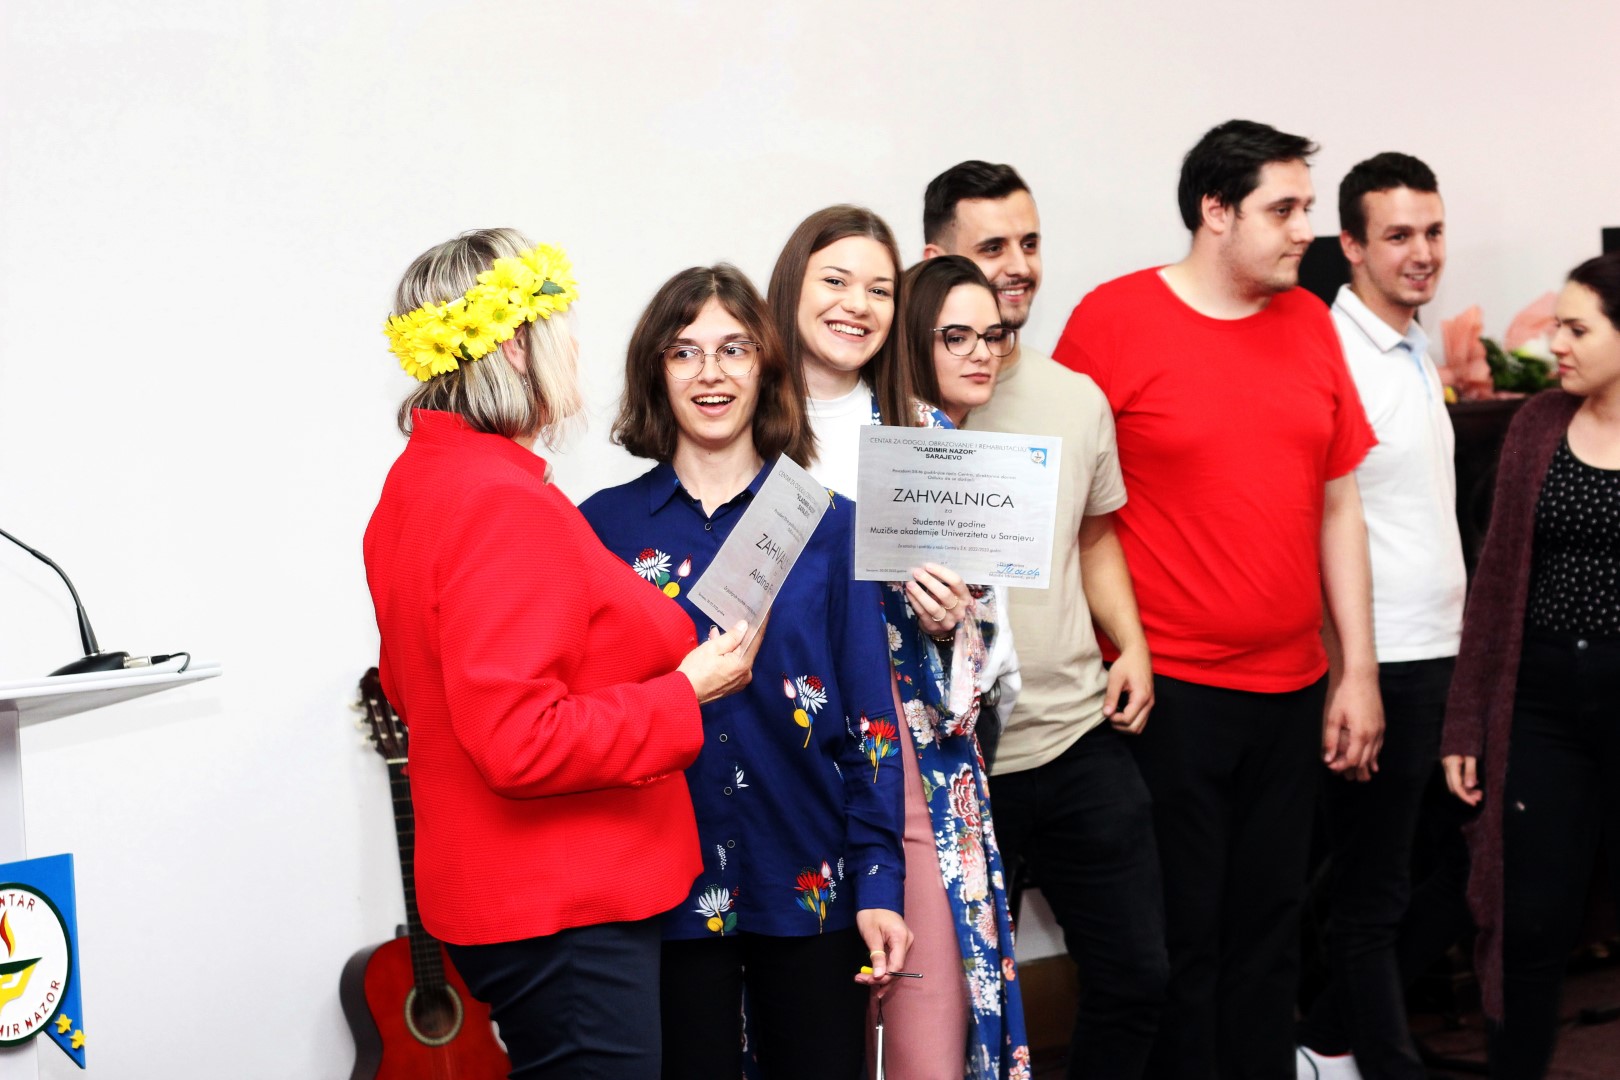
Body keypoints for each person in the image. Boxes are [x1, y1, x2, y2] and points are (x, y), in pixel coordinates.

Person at [363, 229, 760, 1078]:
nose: (575, 348)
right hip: (560, 904)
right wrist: (684, 691)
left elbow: (410, 686)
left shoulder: (423, 480)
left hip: (519, 899)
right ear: (515, 345)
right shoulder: (499, 501)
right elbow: (520, 739)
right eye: (560, 328)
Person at [1053, 122, 1383, 1080]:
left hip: (1293, 687)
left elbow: (1338, 503)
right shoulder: (1113, 320)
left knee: (1270, 934)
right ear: (1215, 211)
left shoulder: (1309, 321)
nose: (1304, 231)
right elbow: (1065, 510)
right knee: (1181, 942)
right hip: (1170, 693)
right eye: (1284, 210)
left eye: (1306, 208)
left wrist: (1357, 671)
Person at [579, 264, 909, 1080]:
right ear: (655, 372)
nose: (711, 373)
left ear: (766, 368)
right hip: (661, 892)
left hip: (810, 883)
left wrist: (879, 880)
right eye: (683, 351)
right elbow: (587, 717)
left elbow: (870, 724)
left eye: (734, 349)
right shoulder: (599, 530)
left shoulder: (829, 526)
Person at [768, 206, 1029, 1079]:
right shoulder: (747, 436)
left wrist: (951, 622)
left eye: (879, 289)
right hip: (778, 762)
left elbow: (989, 653)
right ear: (792, 288)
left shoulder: (927, 442)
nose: (857, 304)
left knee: (927, 1033)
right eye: (835, 281)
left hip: (917, 768)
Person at [927, 160, 1169, 1079]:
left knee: (1137, 976)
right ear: (936, 261)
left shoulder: (1076, 397)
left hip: (1074, 736)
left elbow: (1095, 535)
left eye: (1030, 242)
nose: (1019, 264)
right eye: (993, 245)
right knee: (951, 1006)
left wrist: (1131, 643)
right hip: (950, 762)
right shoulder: (889, 409)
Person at [1294, 152, 1467, 1080]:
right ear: (1352, 246)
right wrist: (1347, 672)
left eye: (1433, 231)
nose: (1422, 252)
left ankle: (1325, 1039)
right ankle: (1365, 1056)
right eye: (1398, 235)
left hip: (1443, 650)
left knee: (1463, 868)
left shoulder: (1411, 344)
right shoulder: (1332, 353)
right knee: (1375, 890)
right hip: (1382, 659)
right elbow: (1320, 521)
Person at [1440, 251, 1620, 1080]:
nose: (1557, 345)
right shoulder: (1538, 424)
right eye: (1557, 327)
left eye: (1577, 329)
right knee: (1530, 920)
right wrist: (1465, 721)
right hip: (1542, 704)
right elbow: (1494, 586)